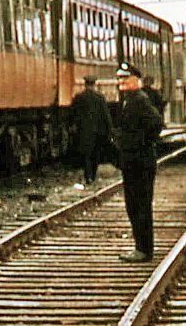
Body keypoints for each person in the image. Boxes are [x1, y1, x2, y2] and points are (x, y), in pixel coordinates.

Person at [112, 63, 164, 263]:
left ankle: (143, 249)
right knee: (134, 205)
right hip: (134, 162)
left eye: (125, 79)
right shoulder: (131, 100)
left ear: (136, 80)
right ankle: (140, 247)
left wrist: (138, 144)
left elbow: (156, 124)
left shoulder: (139, 100)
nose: (121, 83)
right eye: (119, 79)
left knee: (139, 205)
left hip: (139, 162)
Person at [67, 75, 110, 187]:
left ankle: (88, 176)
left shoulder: (79, 97)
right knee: (95, 154)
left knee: (86, 154)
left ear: (85, 84)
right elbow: (106, 116)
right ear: (94, 84)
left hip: (83, 131)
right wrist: (109, 130)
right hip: (97, 131)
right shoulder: (100, 97)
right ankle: (93, 175)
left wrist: (71, 126)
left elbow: (72, 114)